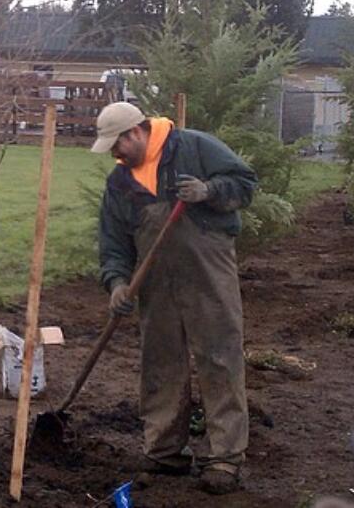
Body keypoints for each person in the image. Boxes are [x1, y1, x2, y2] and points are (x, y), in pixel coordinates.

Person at [91, 102, 257, 495]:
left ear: (135, 132)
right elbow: (113, 243)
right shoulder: (120, 183)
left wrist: (209, 191)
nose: (114, 154)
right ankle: (165, 451)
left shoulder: (194, 147)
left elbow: (245, 184)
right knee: (160, 359)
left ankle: (225, 458)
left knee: (219, 356)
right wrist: (116, 283)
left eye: (117, 145)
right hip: (155, 282)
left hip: (207, 271)